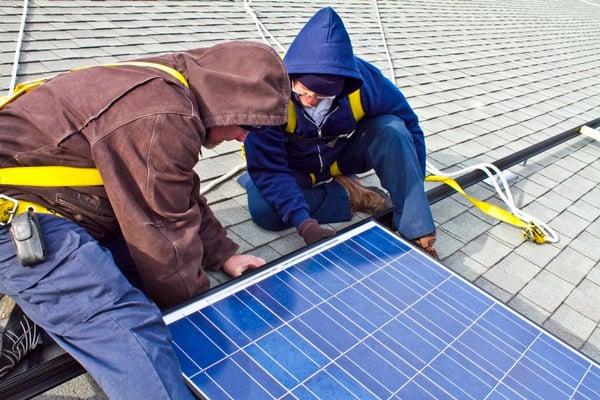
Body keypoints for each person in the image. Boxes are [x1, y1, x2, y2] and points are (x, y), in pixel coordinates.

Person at [0, 41, 290, 398]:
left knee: (133, 268)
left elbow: (174, 190)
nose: (244, 136)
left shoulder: (171, 88)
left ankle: (39, 312)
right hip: (16, 216)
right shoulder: (161, 115)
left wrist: (222, 253)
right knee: (130, 328)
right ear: (226, 99)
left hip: (58, 200)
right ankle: (55, 298)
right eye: (245, 123)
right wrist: (197, 312)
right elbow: (162, 235)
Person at [242, 7, 438, 257]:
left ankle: (417, 234)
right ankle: (349, 194)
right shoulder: (268, 95)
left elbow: (410, 126)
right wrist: (305, 225)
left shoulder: (366, 82)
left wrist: (413, 195)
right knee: (265, 209)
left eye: (323, 96)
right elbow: (270, 169)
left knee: (393, 129)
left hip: (341, 156)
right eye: (303, 91)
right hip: (294, 167)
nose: (311, 101)